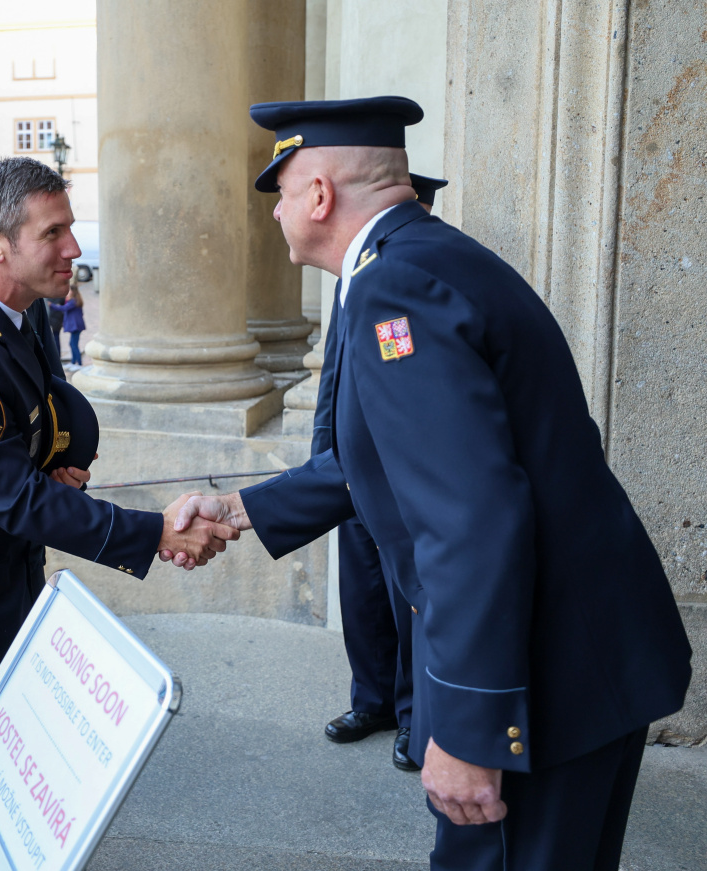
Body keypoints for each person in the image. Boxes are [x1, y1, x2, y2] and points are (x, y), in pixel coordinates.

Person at [168, 96, 692, 870]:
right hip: (584, 653)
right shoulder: (421, 261)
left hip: (541, 680)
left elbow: (470, 519)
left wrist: (471, 729)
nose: (276, 214)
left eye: (280, 192)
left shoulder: (394, 289)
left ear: (318, 195)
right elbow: (382, 462)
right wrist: (240, 508)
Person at [0, 157, 235, 870]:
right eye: (54, 232)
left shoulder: (16, 314)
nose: (74, 248)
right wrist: (153, 531)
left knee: (0, 797)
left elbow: (39, 421)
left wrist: (47, 458)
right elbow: (13, 498)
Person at [317, 173, 445, 772]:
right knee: (361, 591)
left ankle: (416, 716)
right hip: (348, 472)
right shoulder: (351, 279)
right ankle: (370, 700)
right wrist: (322, 452)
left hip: (395, 476)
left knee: (406, 600)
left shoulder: (398, 284)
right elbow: (333, 378)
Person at [52, 279, 86, 366]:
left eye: (69, 290)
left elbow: (63, 308)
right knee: (72, 344)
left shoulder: (73, 301)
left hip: (76, 326)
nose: (67, 292)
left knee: (74, 345)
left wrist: (51, 305)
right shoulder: (75, 300)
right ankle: (73, 362)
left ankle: (79, 364)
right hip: (77, 325)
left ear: (73, 292)